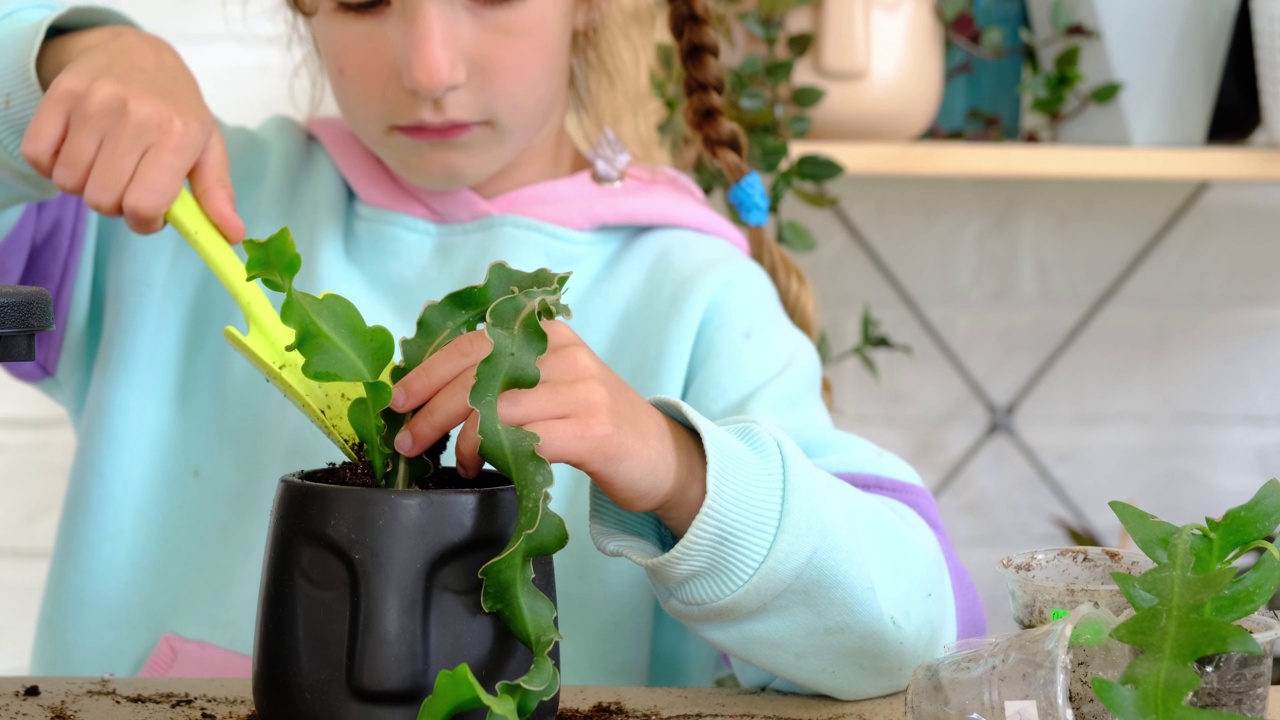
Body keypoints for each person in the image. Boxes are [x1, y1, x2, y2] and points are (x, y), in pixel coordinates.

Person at [0, 0, 984, 698]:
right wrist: (69, 51)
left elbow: (911, 639)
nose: (430, 65)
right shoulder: (171, 200)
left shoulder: (694, 294)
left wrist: (666, 463)